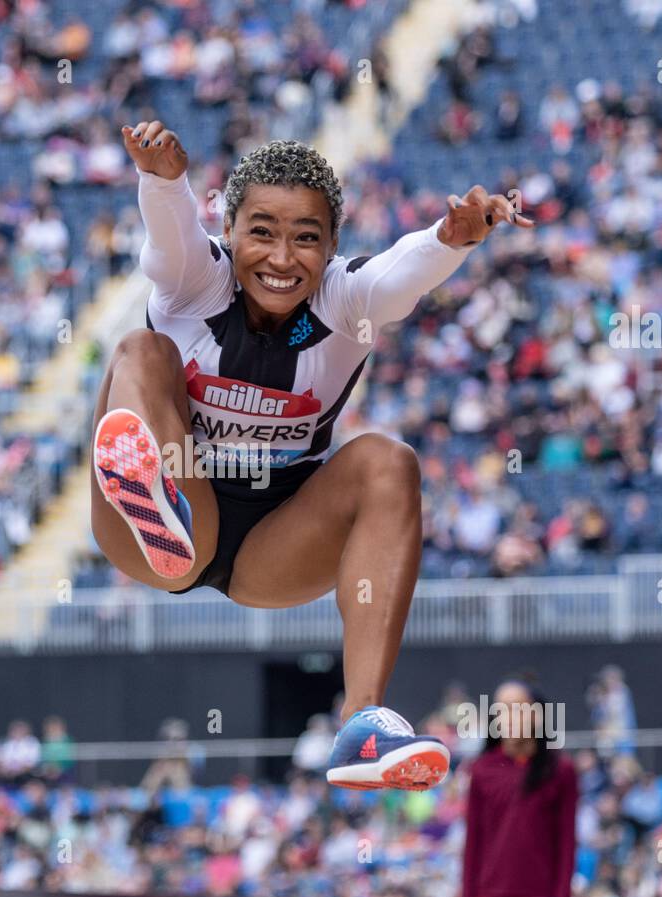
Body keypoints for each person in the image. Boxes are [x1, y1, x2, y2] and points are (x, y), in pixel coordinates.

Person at [90, 119, 532, 790]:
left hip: (275, 545)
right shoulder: (193, 280)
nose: (281, 257)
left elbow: (396, 275)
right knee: (140, 352)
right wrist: (164, 177)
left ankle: (363, 722)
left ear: (331, 248)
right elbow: (170, 235)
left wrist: (453, 238)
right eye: (261, 232)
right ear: (228, 231)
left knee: (389, 461)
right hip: (176, 509)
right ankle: (154, 495)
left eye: (306, 238)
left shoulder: (345, 299)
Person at [458, 679, 578, 897]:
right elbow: (473, 841)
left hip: (536, 896)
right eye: (500, 710)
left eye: (516, 708)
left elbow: (567, 842)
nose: (508, 718)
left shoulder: (561, 770)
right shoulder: (481, 770)